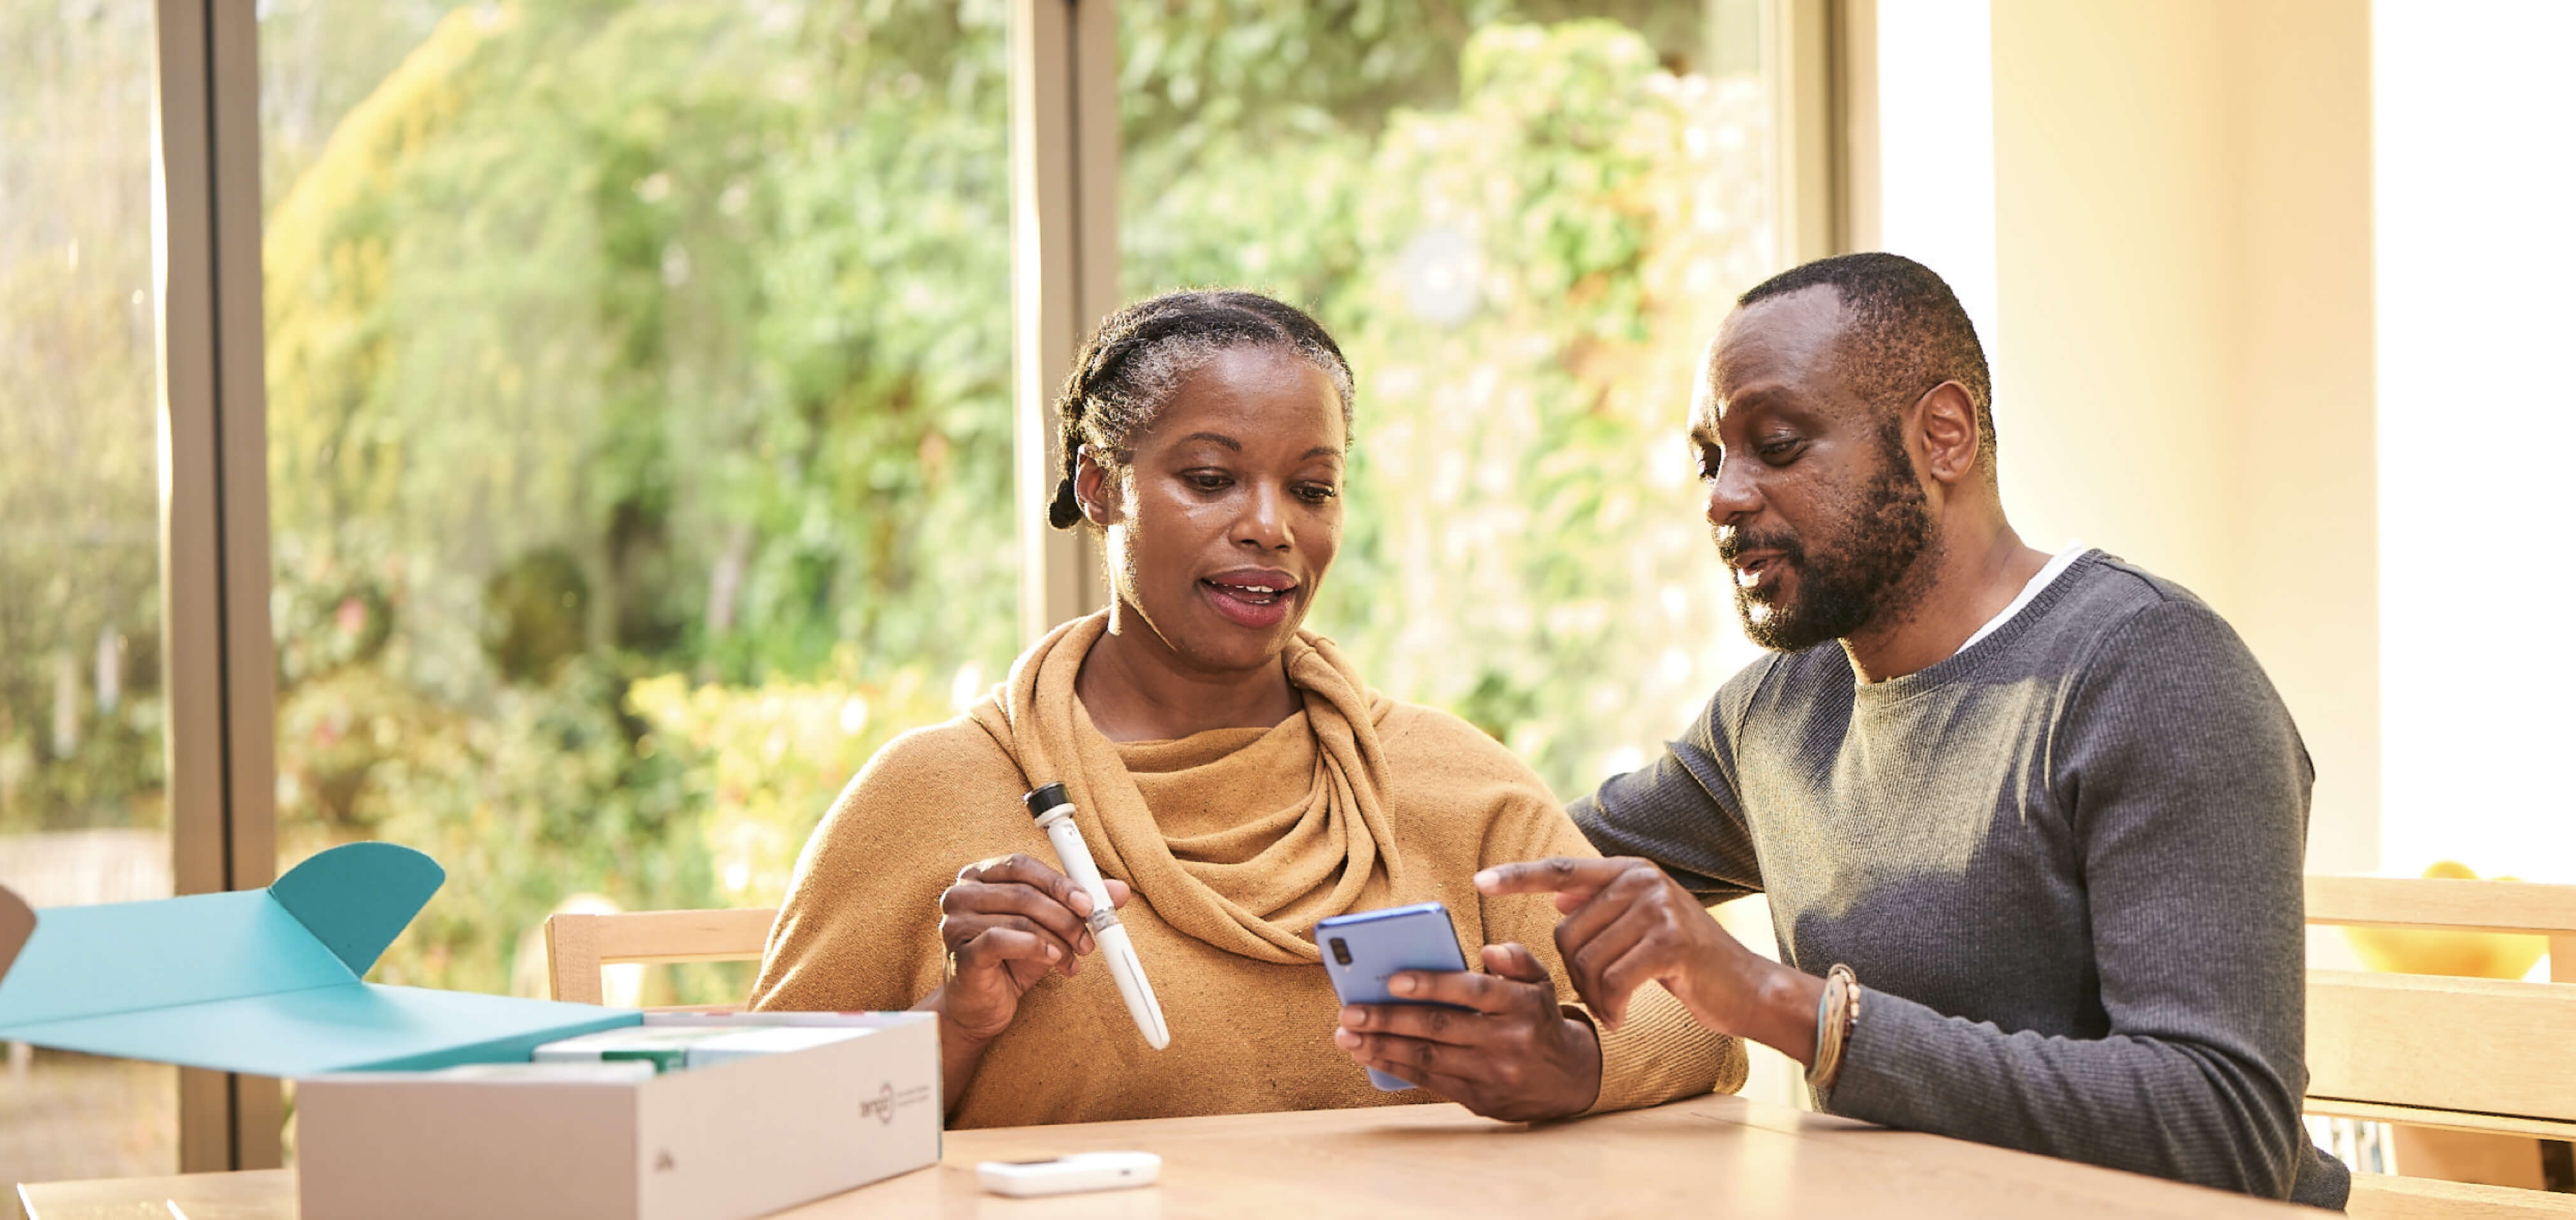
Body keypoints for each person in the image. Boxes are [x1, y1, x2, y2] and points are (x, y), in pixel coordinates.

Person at [1424, 253, 2349, 1205]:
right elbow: (1532, 859)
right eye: (1711, 458)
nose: (1723, 497)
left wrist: (1789, 1006)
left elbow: (2227, 1128)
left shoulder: (2154, 671)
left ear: (1942, 436)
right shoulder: (1780, 712)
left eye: (1776, 444)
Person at [751, 289, 1739, 1128]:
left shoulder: (1447, 779)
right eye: (1211, 479)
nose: (1270, 528)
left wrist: (1566, 1061)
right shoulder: (935, 793)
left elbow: (1697, 1020)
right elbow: (755, 1122)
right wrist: (955, 1020)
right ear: (1101, 487)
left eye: (1312, 488)